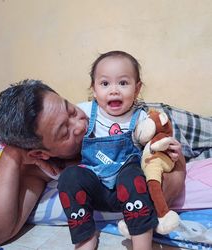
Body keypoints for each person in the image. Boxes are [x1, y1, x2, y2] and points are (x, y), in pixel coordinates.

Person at [0, 79, 186, 248]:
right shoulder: (42, 165)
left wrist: (173, 159)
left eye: (70, 109)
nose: (80, 125)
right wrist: (11, 154)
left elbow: (171, 174)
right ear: (40, 154)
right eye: (64, 132)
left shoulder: (106, 116)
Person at [57, 51, 180, 250]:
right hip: (95, 186)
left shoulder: (141, 118)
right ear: (94, 89)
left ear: (137, 88)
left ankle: (141, 241)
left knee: (132, 173)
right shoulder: (87, 111)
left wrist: (168, 149)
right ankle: (85, 237)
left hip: (132, 193)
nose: (114, 91)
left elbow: (158, 143)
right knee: (69, 176)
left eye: (123, 83)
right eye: (105, 84)